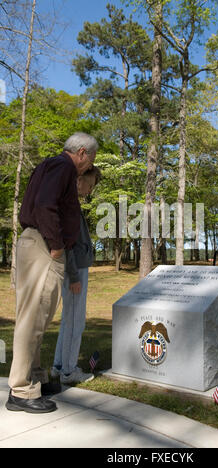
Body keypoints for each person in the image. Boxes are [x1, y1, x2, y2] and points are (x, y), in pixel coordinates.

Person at [6, 132, 98, 414]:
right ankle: (21, 390)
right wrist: (57, 246)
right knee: (32, 320)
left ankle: (34, 379)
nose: (88, 166)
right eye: (90, 159)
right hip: (44, 247)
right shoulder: (64, 167)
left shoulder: (49, 165)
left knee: (35, 320)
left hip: (35, 244)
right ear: (82, 152)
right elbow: (46, 205)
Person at [51, 166, 101, 384]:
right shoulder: (69, 203)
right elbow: (68, 243)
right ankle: (69, 371)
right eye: (89, 185)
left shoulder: (70, 201)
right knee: (75, 321)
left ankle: (59, 365)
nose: (90, 191)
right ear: (79, 180)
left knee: (68, 319)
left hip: (76, 267)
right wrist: (73, 276)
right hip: (75, 269)